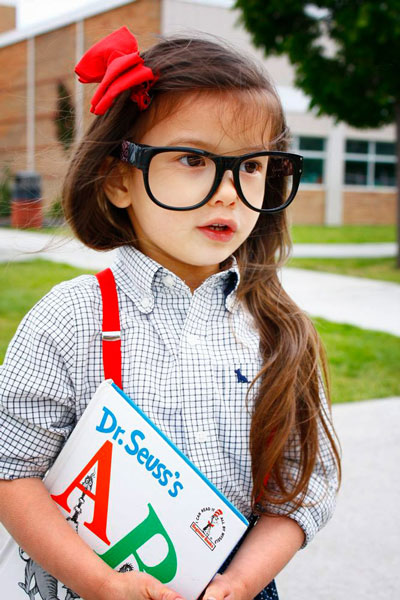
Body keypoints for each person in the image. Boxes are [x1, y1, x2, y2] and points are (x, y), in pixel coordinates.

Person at [0, 26, 341, 600]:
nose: (230, 192)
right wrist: (99, 583)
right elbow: (11, 470)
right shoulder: (70, 319)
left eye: (253, 165)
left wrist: (241, 582)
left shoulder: (282, 333)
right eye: (192, 159)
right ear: (118, 181)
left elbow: (301, 491)